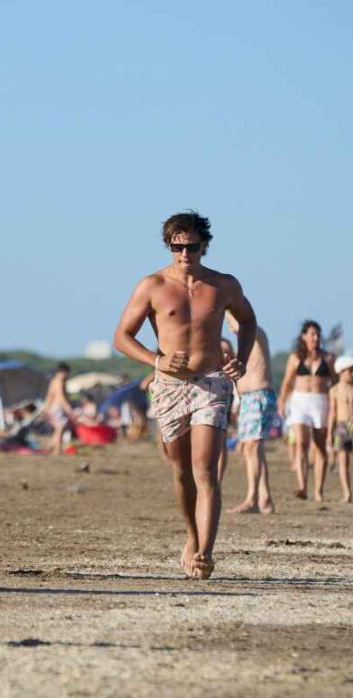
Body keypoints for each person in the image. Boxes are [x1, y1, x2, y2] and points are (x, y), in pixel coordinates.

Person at [113, 211, 255, 580]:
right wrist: (156, 361)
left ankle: (205, 553)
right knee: (180, 470)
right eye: (177, 247)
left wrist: (241, 359)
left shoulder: (223, 285)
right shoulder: (152, 285)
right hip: (170, 386)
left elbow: (249, 320)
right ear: (169, 246)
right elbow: (122, 337)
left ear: (204, 245)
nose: (185, 254)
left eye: (191, 246)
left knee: (205, 469)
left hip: (211, 383)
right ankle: (192, 536)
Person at [278, 321, 335, 501]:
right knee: (301, 443)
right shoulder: (296, 357)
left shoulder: (328, 358)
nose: (315, 338)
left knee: (320, 447)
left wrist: (336, 404)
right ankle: (302, 486)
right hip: (300, 401)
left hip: (320, 401)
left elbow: (335, 383)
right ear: (304, 336)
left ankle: (318, 490)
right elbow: (287, 382)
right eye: (312, 334)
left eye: (318, 335)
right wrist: (282, 401)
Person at [225, 312, 276, 514]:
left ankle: (252, 499)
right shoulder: (242, 342)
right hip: (248, 399)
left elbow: (242, 324)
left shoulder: (256, 333)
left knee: (253, 448)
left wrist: (229, 307)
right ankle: (264, 498)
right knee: (251, 449)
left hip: (258, 396)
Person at [326, 355, 353, 503]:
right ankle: (347, 492)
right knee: (342, 461)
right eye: (350, 371)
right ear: (341, 371)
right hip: (341, 426)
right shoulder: (334, 390)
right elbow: (332, 412)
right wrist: (329, 434)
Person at [38, 363, 73, 455]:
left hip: (53, 408)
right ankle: (56, 451)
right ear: (63, 372)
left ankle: (50, 448)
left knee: (59, 430)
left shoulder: (53, 381)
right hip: (57, 408)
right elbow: (60, 397)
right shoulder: (59, 381)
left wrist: (46, 408)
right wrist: (69, 410)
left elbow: (49, 397)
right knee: (60, 429)